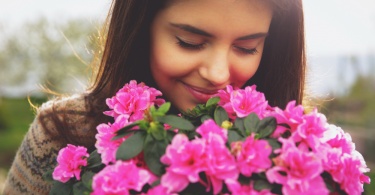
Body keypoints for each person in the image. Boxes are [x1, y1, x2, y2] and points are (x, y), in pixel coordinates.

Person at [3, 0, 305, 194]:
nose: (217, 73)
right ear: (141, 30)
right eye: (190, 42)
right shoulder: (60, 131)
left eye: (247, 47)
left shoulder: (298, 148)